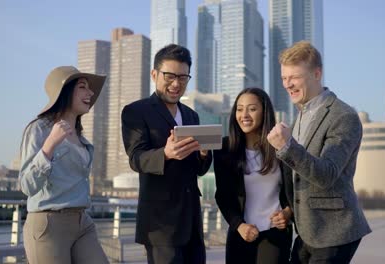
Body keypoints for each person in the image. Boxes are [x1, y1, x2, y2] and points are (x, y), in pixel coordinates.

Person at [267, 41, 372, 264]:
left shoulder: (343, 116)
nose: (288, 84)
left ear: (317, 74)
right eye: (284, 78)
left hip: (334, 230)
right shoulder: (299, 118)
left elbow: (327, 174)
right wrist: (289, 211)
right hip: (307, 231)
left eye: (294, 77)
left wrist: (286, 147)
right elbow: (296, 176)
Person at [121, 44, 212, 264]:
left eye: (183, 77)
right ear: (154, 74)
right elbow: (136, 158)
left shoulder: (192, 115)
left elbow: (199, 170)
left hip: (191, 219)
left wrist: (203, 153)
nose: (176, 83)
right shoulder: (136, 111)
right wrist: (166, 153)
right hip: (159, 223)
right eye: (169, 76)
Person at [19, 66, 109, 264]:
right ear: (64, 92)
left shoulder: (81, 137)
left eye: (90, 88)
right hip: (48, 224)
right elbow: (27, 185)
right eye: (83, 87)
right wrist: (50, 145)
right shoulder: (38, 129)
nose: (91, 93)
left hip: (82, 222)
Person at [214, 88, 293, 264]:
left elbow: (294, 190)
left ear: (265, 112)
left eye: (252, 108)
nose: (245, 115)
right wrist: (239, 226)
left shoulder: (280, 145)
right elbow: (223, 196)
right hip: (241, 232)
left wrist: (288, 212)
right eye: (240, 109)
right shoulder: (224, 148)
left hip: (275, 233)